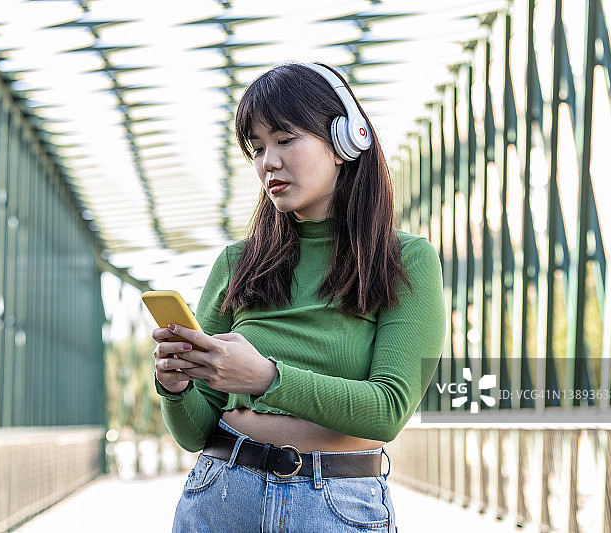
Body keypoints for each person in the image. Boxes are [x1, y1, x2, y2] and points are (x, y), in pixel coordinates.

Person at [151, 61, 445, 533]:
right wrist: (175, 386)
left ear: (347, 141)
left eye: (286, 139)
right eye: (257, 147)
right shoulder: (237, 262)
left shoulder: (404, 260)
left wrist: (266, 378)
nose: (268, 161)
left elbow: (388, 411)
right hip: (221, 494)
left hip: (336, 506)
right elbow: (194, 434)